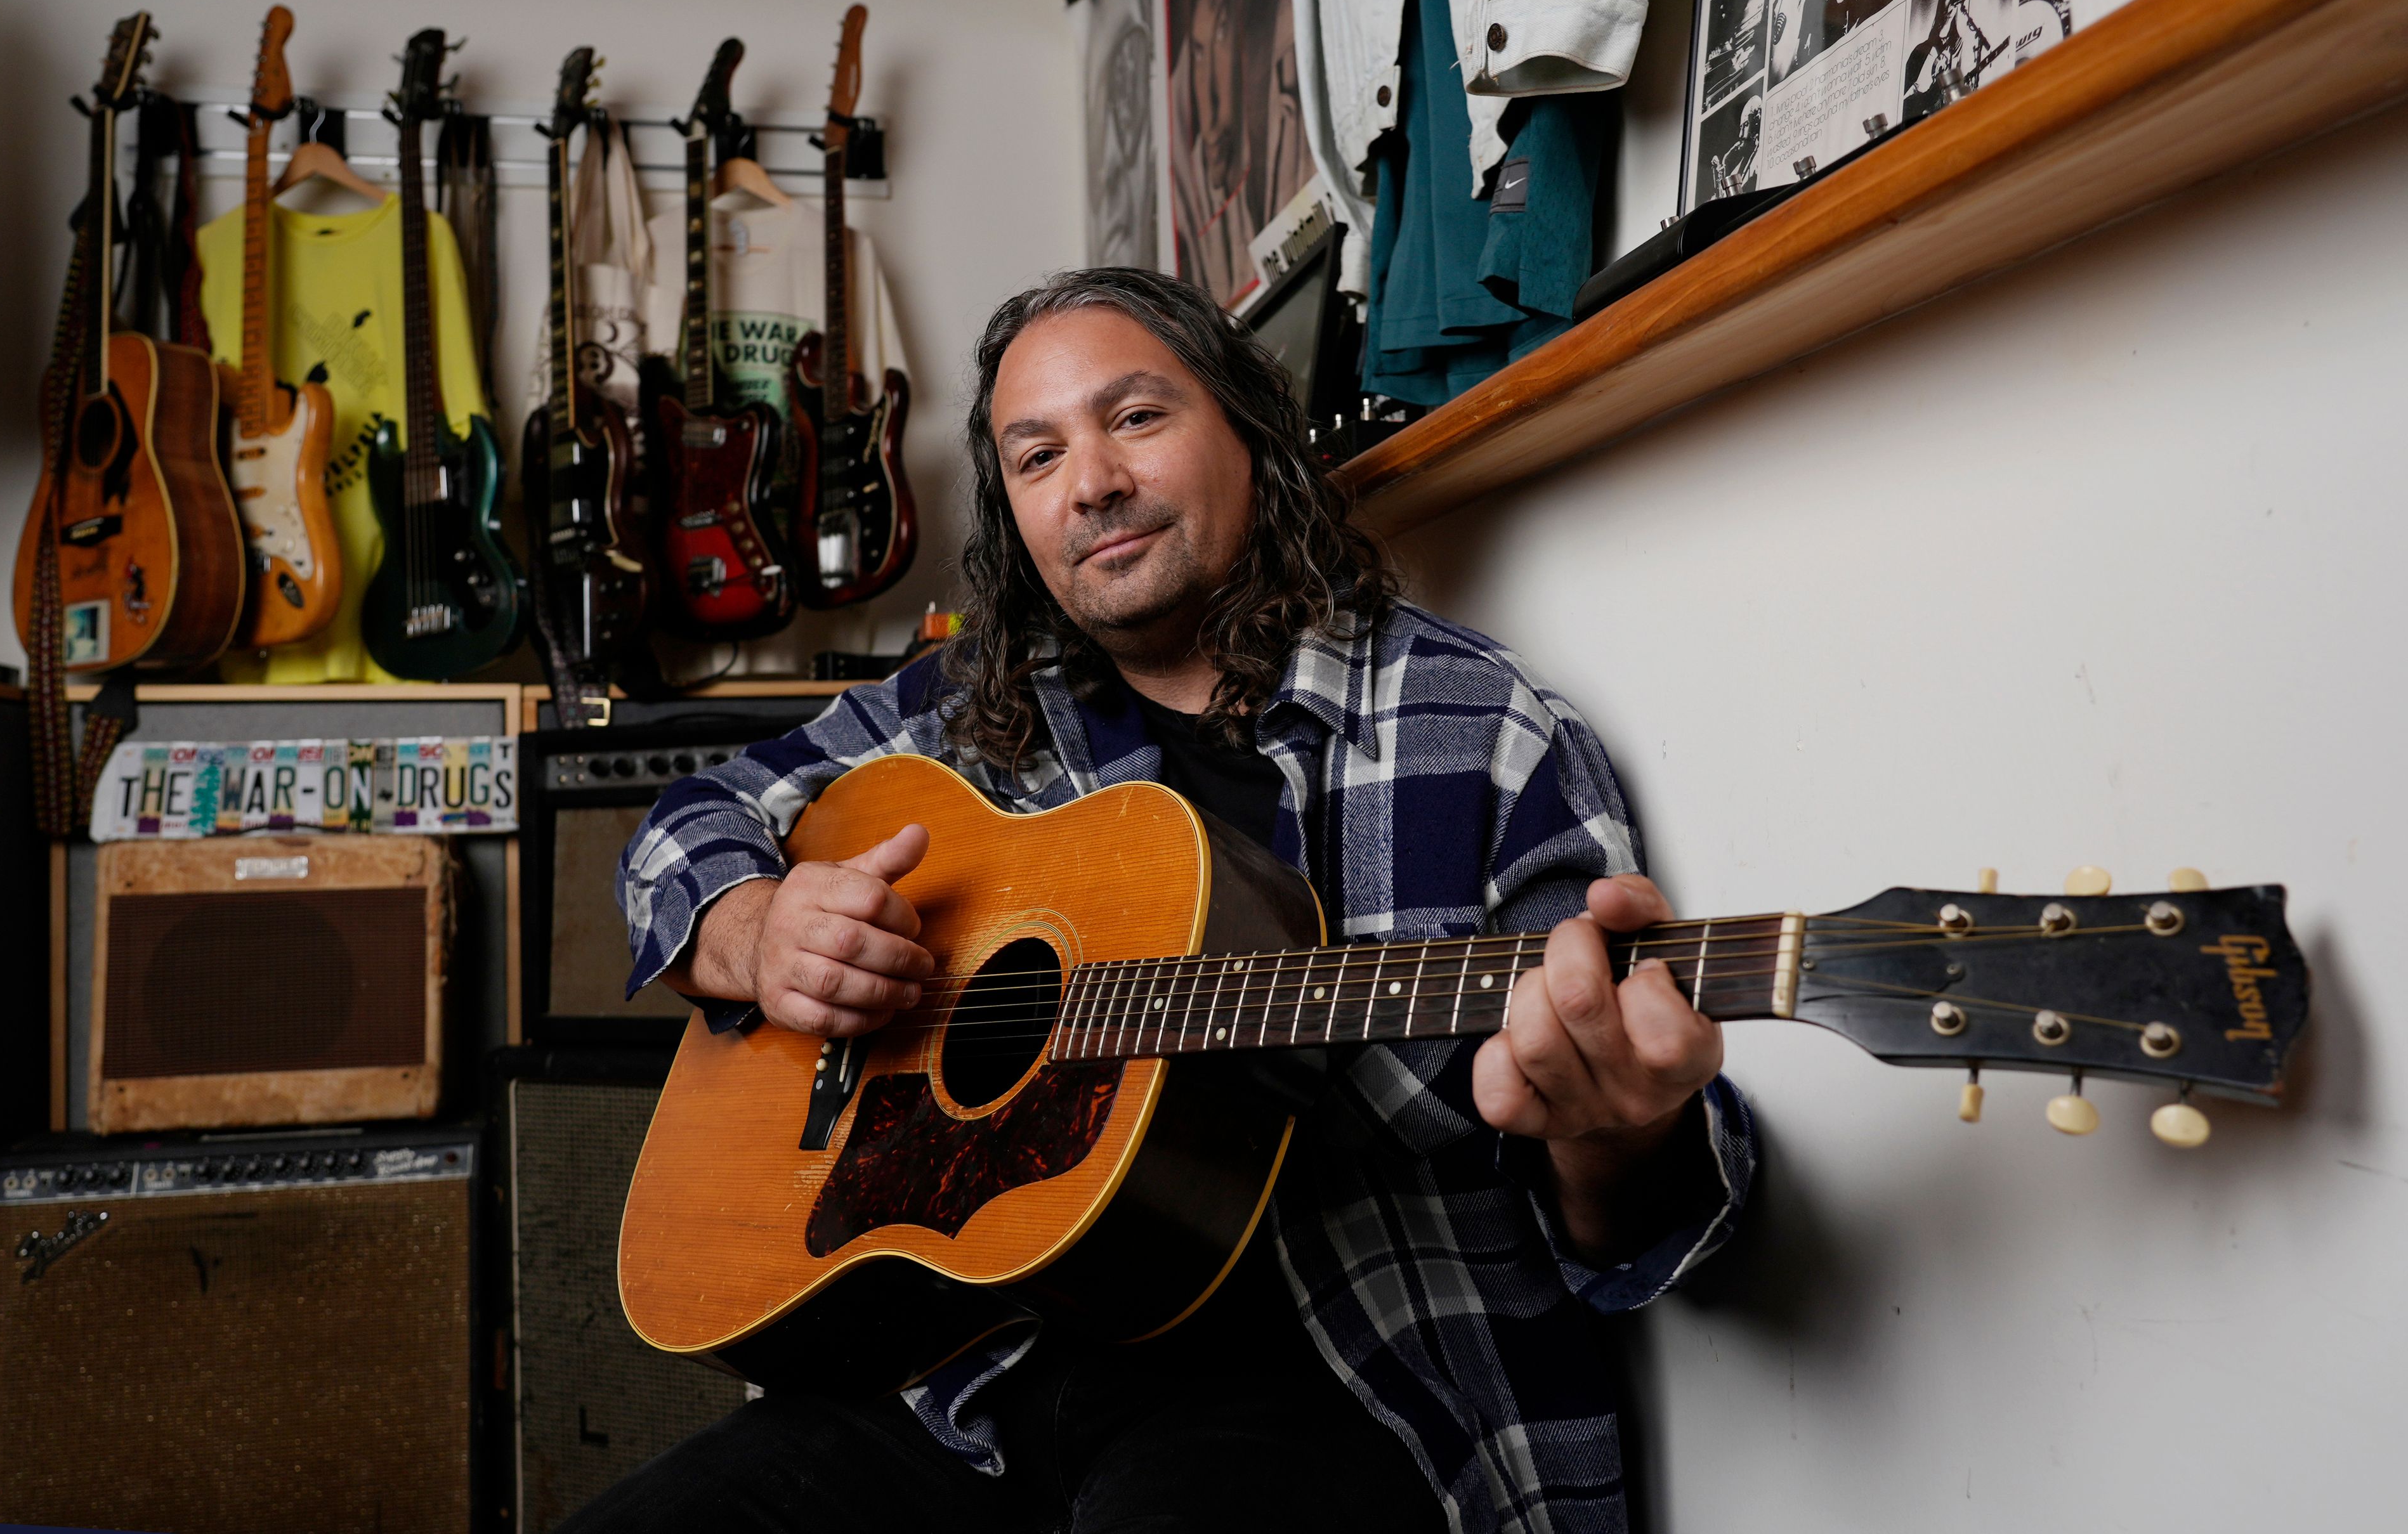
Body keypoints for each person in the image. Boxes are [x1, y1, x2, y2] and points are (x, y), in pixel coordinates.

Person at [579, 267, 1755, 1534]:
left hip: (1337, 1381)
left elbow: (1632, 1223)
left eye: (1135, 418)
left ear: (1251, 429)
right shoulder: (966, 710)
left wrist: (1616, 1132)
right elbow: (683, 826)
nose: (1090, 482)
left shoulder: (1479, 733)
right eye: (1037, 456)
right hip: (963, 1372)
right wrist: (756, 932)